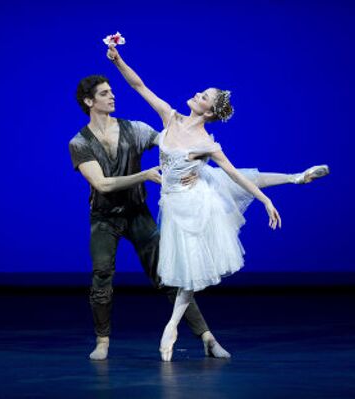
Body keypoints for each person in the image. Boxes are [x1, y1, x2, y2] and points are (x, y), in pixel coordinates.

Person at [107, 44, 329, 361]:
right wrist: (117, 60)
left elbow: (237, 175)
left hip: (194, 203)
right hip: (172, 201)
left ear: (208, 112)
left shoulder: (206, 144)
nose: (197, 94)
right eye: (201, 92)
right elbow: (138, 85)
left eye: (203, 97)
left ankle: (171, 328)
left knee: (192, 264)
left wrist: (265, 200)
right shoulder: (169, 117)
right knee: (185, 269)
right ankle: (295, 177)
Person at [69, 75, 233, 361]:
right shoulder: (79, 142)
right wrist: (143, 175)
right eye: (105, 93)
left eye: (112, 91)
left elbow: (177, 144)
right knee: (102, 273)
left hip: (138, 213)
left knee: (169, 275)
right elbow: (103, 184)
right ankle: (102, 341)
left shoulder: (135, 129)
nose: (112, 96)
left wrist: (194, 164)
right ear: (89, 101)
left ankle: (206, 336)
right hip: (104, 217)